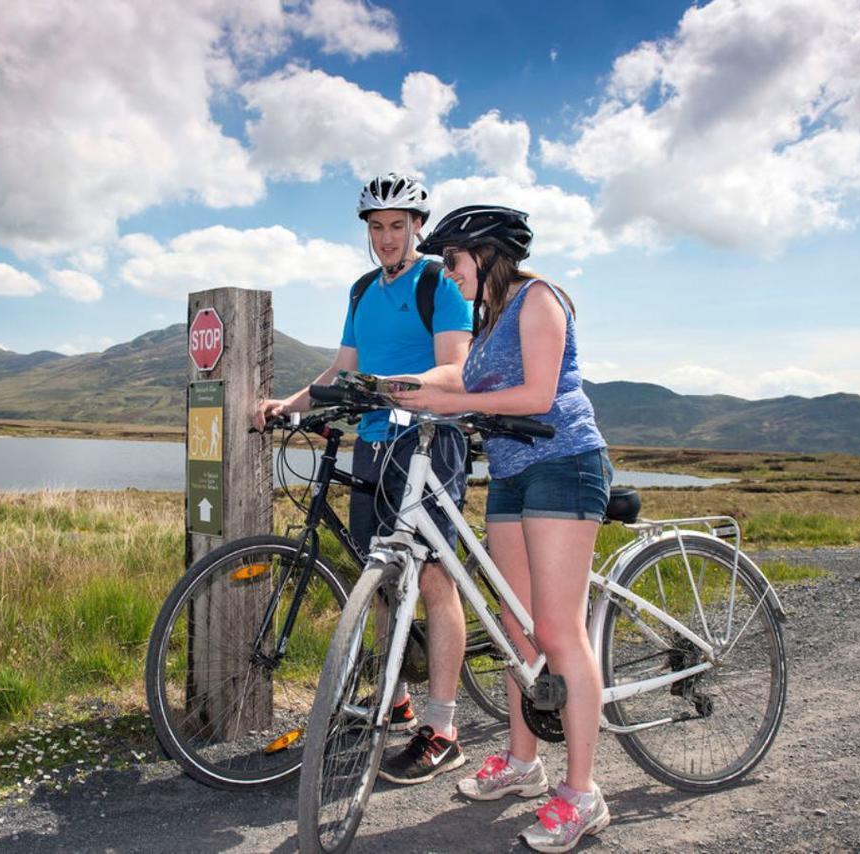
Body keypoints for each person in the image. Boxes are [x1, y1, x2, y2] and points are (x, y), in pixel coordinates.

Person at [394, 205, 613, 852]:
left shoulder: (538, 299)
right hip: (514, 474)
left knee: (556, 631)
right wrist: (397, 385)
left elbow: (540, 393)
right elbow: (459, 374)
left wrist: (454, 405)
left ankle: (582, 795)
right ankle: (523, 763)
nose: (449, 274)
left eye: (454, 261)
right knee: (515, 626)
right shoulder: (489, 326)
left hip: (564, 465)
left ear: (486, 254)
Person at [253, 173, 476, 785]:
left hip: (429, 441)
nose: (386, 237)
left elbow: (455, 368)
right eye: (377, 227)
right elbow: (340, 369)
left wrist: (392, 389)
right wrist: (288, 405)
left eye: (398, 225)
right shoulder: (361, 290)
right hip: (374, 445)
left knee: (432, 577)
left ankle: (443, 727)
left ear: (417, 228)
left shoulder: (438, 283)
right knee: (376, 576)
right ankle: (392, 699)